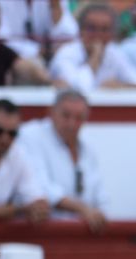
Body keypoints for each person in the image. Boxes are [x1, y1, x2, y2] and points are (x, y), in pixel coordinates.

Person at [18, 89, 107, 230]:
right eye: (66, 116)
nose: (71, 124)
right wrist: (83, 209)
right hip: (39, 232)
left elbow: (100, 196)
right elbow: (40, 186)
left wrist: (99, 213)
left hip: (80, 233)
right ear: (51, 112)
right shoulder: (31, 135)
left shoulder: (88, 150)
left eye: (78, 118)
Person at [49, 2, 136, 91]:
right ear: (80, 31)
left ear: (112, 34)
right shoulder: (66, 54)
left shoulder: (114, 53)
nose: (98, 35)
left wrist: (122, 86)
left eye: (104, 29)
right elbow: (79, 89)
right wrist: (96, 56)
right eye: (92, 28)